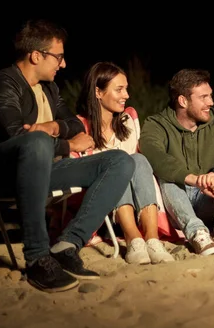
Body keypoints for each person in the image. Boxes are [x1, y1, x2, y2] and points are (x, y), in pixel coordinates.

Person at [0, 19, 135, 292]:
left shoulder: (49, 88)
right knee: (35, 141)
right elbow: (17, 135)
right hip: (0, 174)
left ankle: (67, 244)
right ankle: (37, 256)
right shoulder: (2, 83)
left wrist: (54, 126)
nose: (63, 64)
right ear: (36, 55)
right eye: (58, 57)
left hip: (43, 171)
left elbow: (72, 122)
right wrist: (66, 146)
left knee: (120, 161)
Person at [140, 69, 214, 255]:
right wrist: (196, 180)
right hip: (176, 202)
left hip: (210, 198)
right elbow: (155, 156)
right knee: (167, 174)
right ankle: (197, 233)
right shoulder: (156, 125)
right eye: (203, 97)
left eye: (210, 96)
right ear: (183, 101)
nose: (211, 102)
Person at [74, 61, 174, 264]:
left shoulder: (128, 120)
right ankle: (133, 239)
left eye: (126, 88)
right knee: (117, 164)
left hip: (138, 203)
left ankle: (152, 239)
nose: (126, 95)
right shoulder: (80, 127)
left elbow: (140, 167)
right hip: (105, 209)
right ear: (98, 92)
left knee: (138, 159)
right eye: (119, 89)